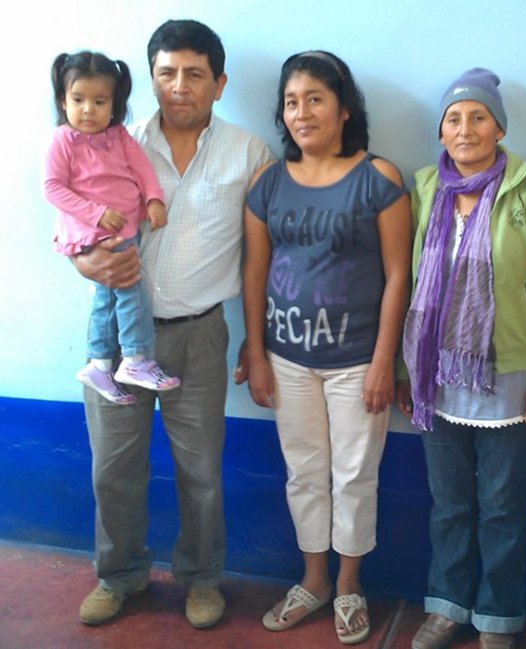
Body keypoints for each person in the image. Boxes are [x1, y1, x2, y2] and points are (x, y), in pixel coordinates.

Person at [71, 20, 272, 628]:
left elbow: (259, 259)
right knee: (113, 468)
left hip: (202, 333)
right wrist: (87, 260)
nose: (178, 85)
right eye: (166, 72)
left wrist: (255, 345)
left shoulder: (249, 153)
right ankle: (120, 576)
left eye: (193, 74)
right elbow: (73, 225)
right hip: (118, 339)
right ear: (151, 78)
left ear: (219, 82)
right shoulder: (111, 139)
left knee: (202, 471)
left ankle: (202, 579)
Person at [397, 68, 526, 649]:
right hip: (436, 376)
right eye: (453, 118)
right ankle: (447, 606)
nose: (465, 128)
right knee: (449, 505)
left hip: (510, 378)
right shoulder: (423, 189)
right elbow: (405, 286)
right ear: (441, 131)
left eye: (478, 116)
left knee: (501, 509)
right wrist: (404, 370)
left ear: (499, 127)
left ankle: (497, 618)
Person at [241, 51, 411, 644]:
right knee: (304, 473)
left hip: (358, 362)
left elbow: (398, 276)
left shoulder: (379, 179)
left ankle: (348, 586)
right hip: (287, 359)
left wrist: (385, 361)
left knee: (354, 475)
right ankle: (312, 580)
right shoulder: (267, 184)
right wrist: (256, 351)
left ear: (343, 110)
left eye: (315, 98)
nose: (301, 111)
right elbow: (254, 273)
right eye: (291, 101)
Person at [45, 51, 181, 404]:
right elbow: (53, 187)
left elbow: (143, 170)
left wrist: (153, 200)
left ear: (114, 104)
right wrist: (96, 213)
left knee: (108, 296)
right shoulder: (63, 140)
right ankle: (135, 357)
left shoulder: (119, 136)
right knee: (130, 284)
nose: (88, 109)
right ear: (63, 100)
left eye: (99, 101)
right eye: (78, 100)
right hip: (96, 231)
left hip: (124, 226)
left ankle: (100, 362)